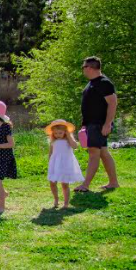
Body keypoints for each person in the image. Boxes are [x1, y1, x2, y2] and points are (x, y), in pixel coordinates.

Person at [76, 56, 120, 192]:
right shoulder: (92, 83)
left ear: (90, 68)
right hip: (92, 124)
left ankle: (85, 185)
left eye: (84, 67)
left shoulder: (104, 82)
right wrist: (84, 124)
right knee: (103, 153)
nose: (83, 69)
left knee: (94, 153)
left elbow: (113, 103)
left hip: (99, 124)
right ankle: (113, 182)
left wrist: (108, 124)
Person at [45, 120, 84, 209]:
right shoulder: (53, 141)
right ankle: (56, 199)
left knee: (64, 184)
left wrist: (69, 136)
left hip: (65, 164)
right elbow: (50, 153)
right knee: (52, 182)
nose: (57, 135)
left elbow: (75, 146)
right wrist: (50, 163)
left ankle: (66, 203)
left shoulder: (68, 140)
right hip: (55, 163)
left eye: (60, 133)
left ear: (65, 132)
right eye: (55, 133)